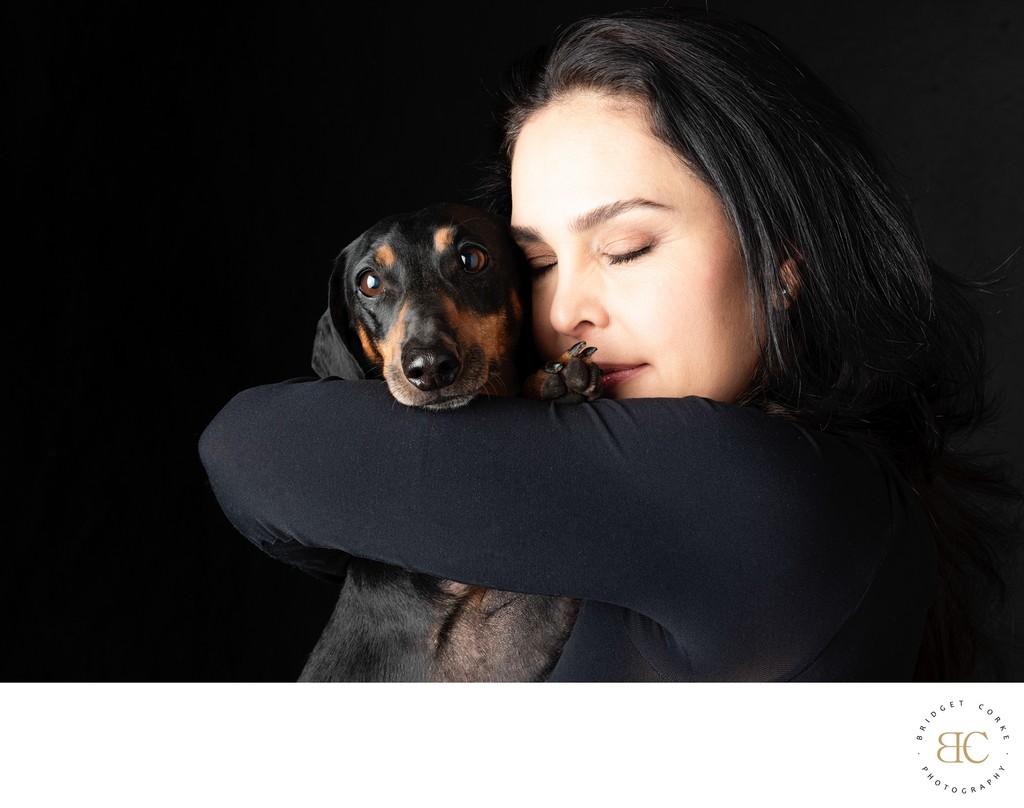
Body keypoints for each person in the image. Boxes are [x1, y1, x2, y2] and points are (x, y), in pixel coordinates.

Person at [199, 6, 1020, 681]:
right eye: (540, 265)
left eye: (626, 247)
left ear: (780, 262)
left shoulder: (760, 488)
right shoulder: (848, 492)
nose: (566, 313)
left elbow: (252, 452)